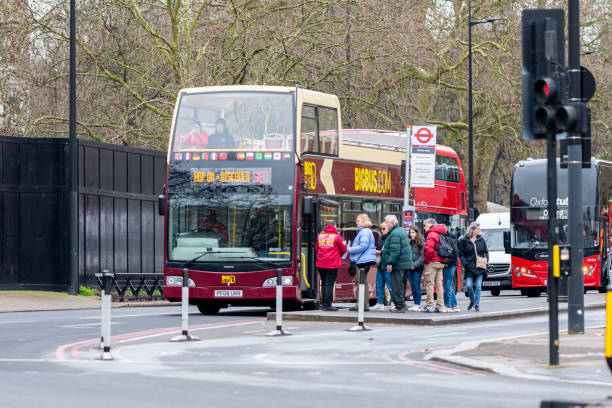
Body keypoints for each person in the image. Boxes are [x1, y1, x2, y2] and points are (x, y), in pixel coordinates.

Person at [380, 214, 412, 313]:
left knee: (397, 286)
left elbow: (395, 251)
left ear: (392, 223)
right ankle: (402, 304)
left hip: (398, 264)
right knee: (401, 285)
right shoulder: (401, 230)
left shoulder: (395, 233)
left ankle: (400, 306)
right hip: (404, 264)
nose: (386, 224)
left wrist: (390, 263)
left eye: (387, 222)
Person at [315, 219, 348, 311]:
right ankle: (327, 305)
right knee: (330, 284)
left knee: (324, 283)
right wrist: (338, 255)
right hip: (332, 264)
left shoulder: (320, 236)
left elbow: (316, 248)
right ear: (335, 226)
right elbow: (344, 249)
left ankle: (324, 304)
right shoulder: (337, 237)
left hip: (321, 263)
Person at [347, 213, 377, 312]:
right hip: (363, 260)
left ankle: (361, 305)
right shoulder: (365, 232)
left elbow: (363, 246)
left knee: (360, 283)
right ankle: (363, 305)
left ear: (363, 221)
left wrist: (350, 249)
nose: (356, 222)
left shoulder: (364, 232)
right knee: (362, 283)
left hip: (361, 261)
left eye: (358, 220)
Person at [459, 222, 489, 311]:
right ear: (472, 230)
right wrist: (465, 263)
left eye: (479, 229)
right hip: (469, 267)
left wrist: (486, 260)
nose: (479, 231)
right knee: (468, 286)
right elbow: (461, 254)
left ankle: (477, 304)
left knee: (478, 286)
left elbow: (486, 251)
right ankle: (472, 301)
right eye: (477, 229)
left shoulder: (481, 240)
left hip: (480, 267)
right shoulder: (464, 240)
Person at [422, 218, 447, 313]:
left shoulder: (431, 234)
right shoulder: (441, 232)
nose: (424, 228)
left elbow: (428, 249)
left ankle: (430, 305)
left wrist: (426, 261)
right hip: (441, 262)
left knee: (429, 283)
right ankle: (440, 306)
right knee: (439, 285)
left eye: (425, 226)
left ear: (430, 225)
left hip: (432, 262)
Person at [371, 223, 392, 311]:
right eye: (381, 229)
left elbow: (390, 251)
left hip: (386, 264)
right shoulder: (381, 239)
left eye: (384, 228)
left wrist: (378, 252)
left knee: (390, 285)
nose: (382, 230)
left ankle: (395, 302)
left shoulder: (390, 238)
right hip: (380, 265)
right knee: (379, 284)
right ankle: (379, 302)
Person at [407, 226, 424, 312]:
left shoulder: (421, 242)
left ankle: (418, 304)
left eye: (413, 232)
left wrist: (414, 265)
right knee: (412, 286)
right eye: (410, 232)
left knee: (416, 285)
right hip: (409, 267)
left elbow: (422, 257)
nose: (411, 234)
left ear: (417, 233)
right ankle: (415, 304)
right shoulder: (409, 242)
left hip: (417, 267)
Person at [443, 230, 460, 312]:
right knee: (449, 286)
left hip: (449, 265)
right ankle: (455, 305)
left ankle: (448, 306)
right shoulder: (451, 240)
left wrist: (446, 263)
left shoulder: (447, 240)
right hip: (451, 265)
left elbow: (455, 254)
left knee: (447, 286)